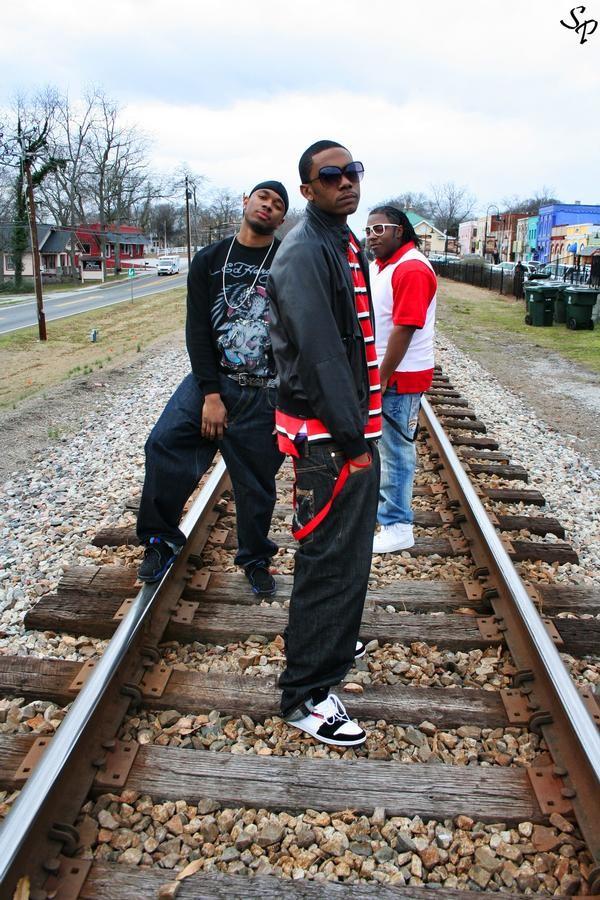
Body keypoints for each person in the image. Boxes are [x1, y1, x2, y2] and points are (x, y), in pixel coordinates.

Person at [267, 140, 381, 748]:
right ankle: (306, 694)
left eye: (352, 171)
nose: (346, 182)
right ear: (308, 189)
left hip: (342, 434)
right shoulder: (306, 249)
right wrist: (355, 442)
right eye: (331, 175)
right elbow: (319, 355)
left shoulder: (338, 238)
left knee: (345, 556)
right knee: (329, 562)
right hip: (330, 440)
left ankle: (331, 640)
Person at [136, 181, 289, 596]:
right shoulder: (209, 259)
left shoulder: (287, 260)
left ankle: (255, 558)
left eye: (278, 204)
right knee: (165, 444)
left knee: (257, 481)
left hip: (265, 390)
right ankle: (159, 540)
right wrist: (211, 395)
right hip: (215, 380)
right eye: (263, 198)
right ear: (246, 201)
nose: (269, 206)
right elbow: (198, 330)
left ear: (281, 218)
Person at [365, 206, 437, 553]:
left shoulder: (411, 268)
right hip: (386, 373)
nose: (372, 236)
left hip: (399, 377)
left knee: (395, 452)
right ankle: (388, 517)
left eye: (379, 229)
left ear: (399, 230)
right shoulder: (383, 266)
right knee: (385, 448)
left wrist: (381, 377)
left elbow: (404, 328)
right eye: (368, 230)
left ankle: (397, 526)